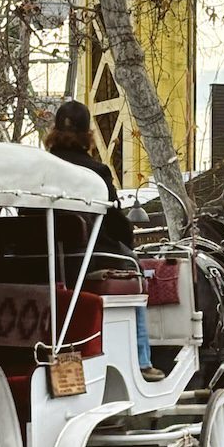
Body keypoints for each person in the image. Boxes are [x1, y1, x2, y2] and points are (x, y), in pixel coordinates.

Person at [45, 99, 163, 381]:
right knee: (134, 269)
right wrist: (128, 239)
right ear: (89, 135)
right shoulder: (97, 172)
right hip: (85, 260)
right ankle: (142, 359)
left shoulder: (42, 167)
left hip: (44, 259)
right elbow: (116, 223)